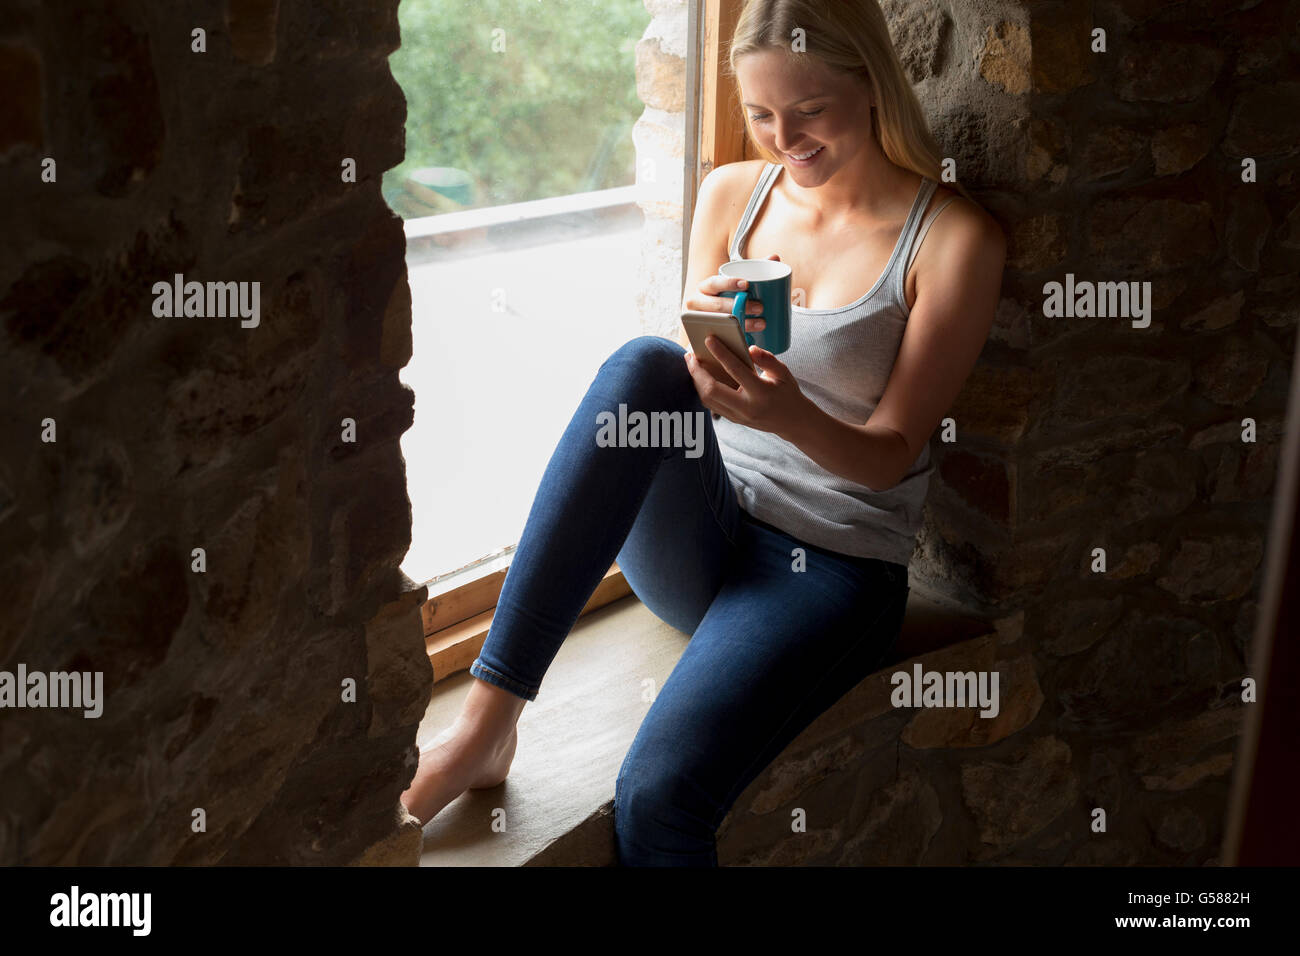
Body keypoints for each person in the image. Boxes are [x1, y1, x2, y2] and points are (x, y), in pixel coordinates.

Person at [400, 0, 1006, 865]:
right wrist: (709, 361)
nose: (782, 139)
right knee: (642, 365)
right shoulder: (732, 193)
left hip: (830, 571)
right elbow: (674, 399)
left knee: (658, 799)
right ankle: (486, 729)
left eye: (809, 112)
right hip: (705, 538)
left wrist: (788, 411)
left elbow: (892, 455)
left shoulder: (952, 240)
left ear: (870, 85)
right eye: (760, 115)